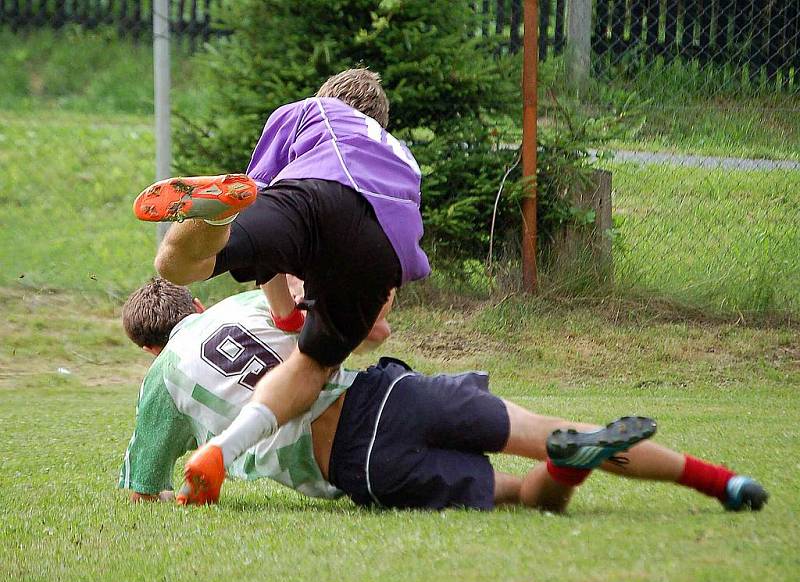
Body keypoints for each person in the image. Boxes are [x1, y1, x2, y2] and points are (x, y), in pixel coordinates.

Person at [119, 279, 767, 513]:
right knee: (545, 426)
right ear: (197, 304)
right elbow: (303, 296)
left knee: (518, 494)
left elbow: (140, 490)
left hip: (352, 462)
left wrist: (176, 493)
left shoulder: (160, 380)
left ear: (150, 350)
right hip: (389, 392)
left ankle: (559, 475)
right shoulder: (241, 301)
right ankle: (724, 483)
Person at [132, 68, 429, 505]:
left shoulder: (313, 113)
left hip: (313, 200)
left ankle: (213, 217)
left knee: (178, 266)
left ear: (327, 97)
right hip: (384, 244)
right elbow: (382, 301)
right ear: (380, 123)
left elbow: (261, 205)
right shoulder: (400, 156)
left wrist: (284, 314)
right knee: (360, 339)